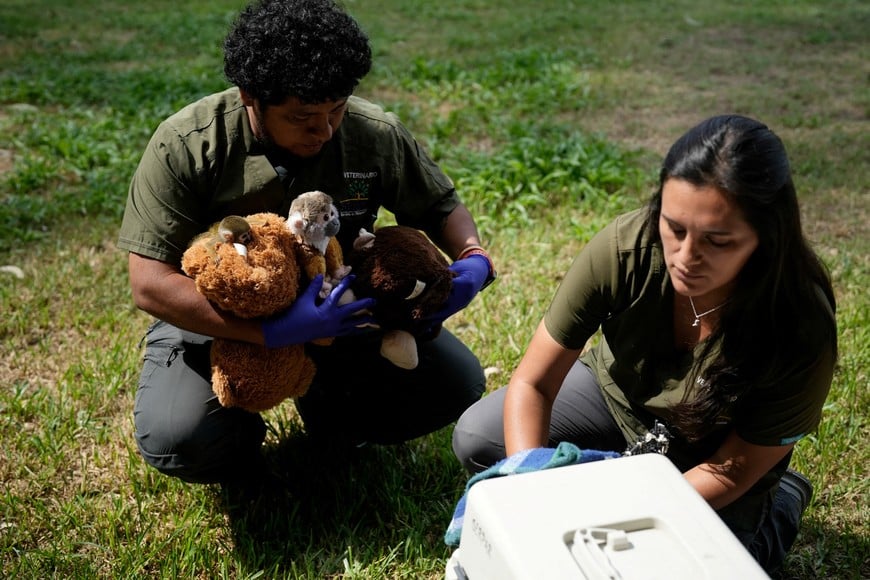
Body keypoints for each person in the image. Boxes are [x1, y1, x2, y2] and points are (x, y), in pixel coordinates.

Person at [118, 0, 494, 485]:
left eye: (336, 109)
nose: (324, 130)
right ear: (250, 96)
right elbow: (149, 284)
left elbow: (443, 208)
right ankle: (237, 440)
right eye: (302, 117)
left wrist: (473, 258)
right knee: (182, 437)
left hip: (342, 312)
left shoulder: (371, 133)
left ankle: (334, 411)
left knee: (451, 386)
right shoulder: (189, 144)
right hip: (221, 320)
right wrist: (270, 333)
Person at [452, 115, 836, 574]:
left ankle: (781, 500)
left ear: (767, 238)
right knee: (480, 437)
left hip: (712, 458)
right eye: (674, 228)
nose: (686, 257)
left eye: (717, 241)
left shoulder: (800, 324)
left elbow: (730, 470)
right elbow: (534, 383)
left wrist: (616, 511)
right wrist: (530, 486)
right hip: (615, 401)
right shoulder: (625, 247)